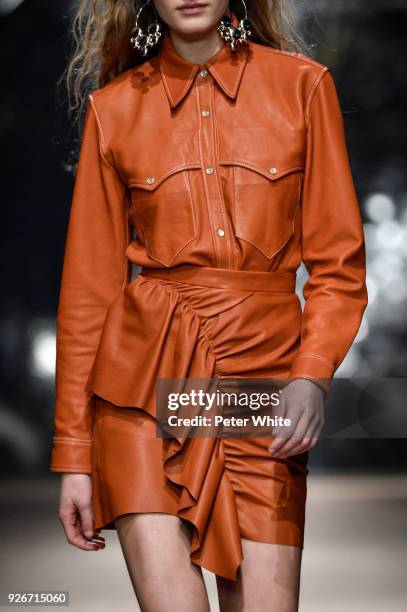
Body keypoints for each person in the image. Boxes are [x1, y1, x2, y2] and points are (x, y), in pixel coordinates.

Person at [49, 1, 368, 610]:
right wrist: (75, 458)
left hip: (259, 385)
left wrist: (312, 376)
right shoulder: (113, 109)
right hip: (144, 385)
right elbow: (88, 298)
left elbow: (339, 267)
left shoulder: (303, 87)